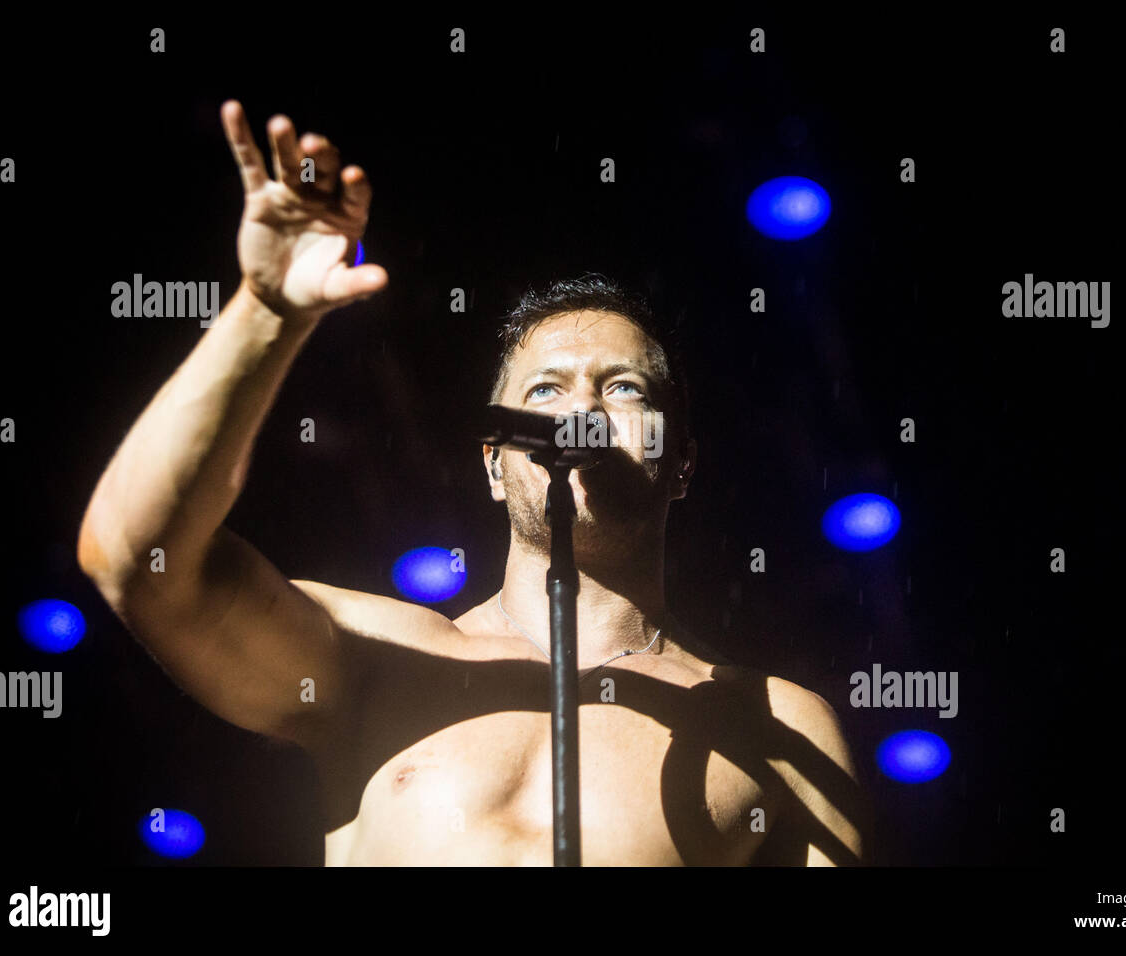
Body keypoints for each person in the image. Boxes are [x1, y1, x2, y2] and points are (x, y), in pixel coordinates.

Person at [77, 100, 869, 865]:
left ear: (682, 464)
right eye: (545, 391)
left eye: (624, 388)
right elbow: (135, 557)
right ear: (495, 462)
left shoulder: (777, 726)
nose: (583, 407)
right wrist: (266, 310)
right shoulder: (376, 659)